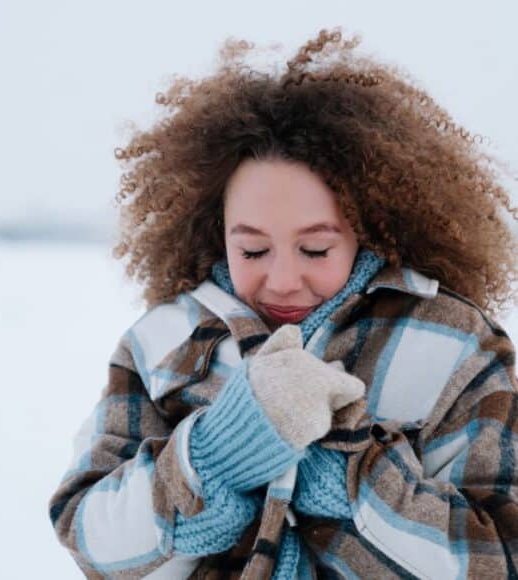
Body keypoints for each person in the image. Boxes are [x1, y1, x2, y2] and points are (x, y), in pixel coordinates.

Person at [48, 28, 518, 579]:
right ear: (215, 232)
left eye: (316, 248)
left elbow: (499, 561)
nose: (284, 280)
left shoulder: (455, 347)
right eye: (252, 249)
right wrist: (214, 457)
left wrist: (347, 470)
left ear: (369, 228)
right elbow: (91, 541)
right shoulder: (159, 342)